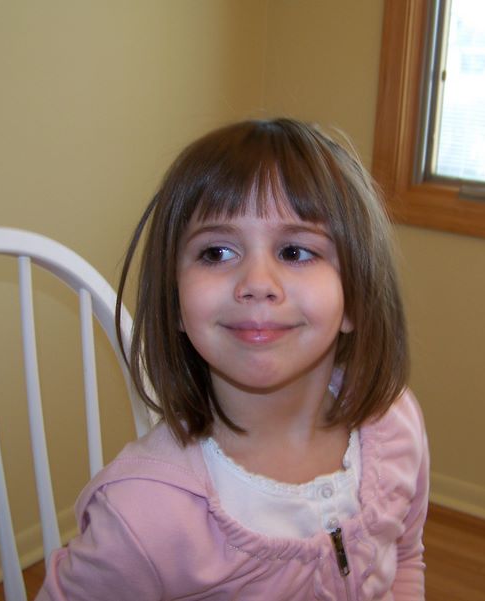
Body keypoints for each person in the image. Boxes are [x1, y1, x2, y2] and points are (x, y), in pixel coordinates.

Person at [36, 118, 429, 600]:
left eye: (295, 251)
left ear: (356, 299)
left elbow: (405, 556)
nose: (257, 283)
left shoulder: (394, 426)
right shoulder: (142, 513)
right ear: (175, 304)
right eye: (217, 252)